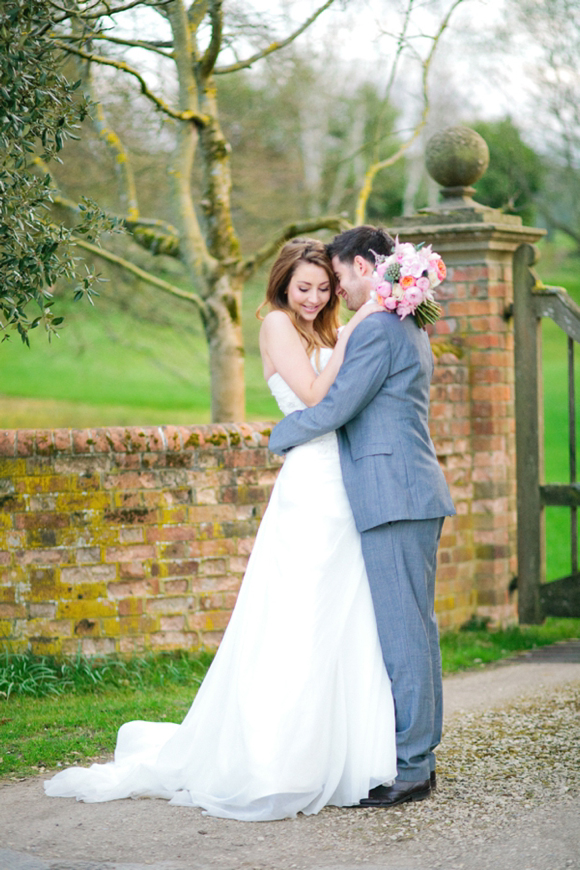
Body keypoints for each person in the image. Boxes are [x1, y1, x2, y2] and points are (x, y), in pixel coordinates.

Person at [44, 238, 397, 821]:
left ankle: (345, 754)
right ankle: (277, 759)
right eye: (302, 287)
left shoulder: (329, 332)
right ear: (283, 285)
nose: (313, 298)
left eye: (323, 288)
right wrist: (360, 324)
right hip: (311, 484)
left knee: (343, 614)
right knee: (297, 615)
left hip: (346, 481)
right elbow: (313, 396)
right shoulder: (280, 327)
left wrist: (351, 329)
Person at [269, 226, 456, 808]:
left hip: (393, 493)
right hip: (402, 491)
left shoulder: (377, 327)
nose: (338, 291)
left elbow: (339, 404)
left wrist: (280, 433)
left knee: (406, 637)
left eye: (341, 278)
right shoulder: (402, 321)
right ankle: (416, 757)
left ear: (364, 266)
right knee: (415, 632)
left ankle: (412, 768)